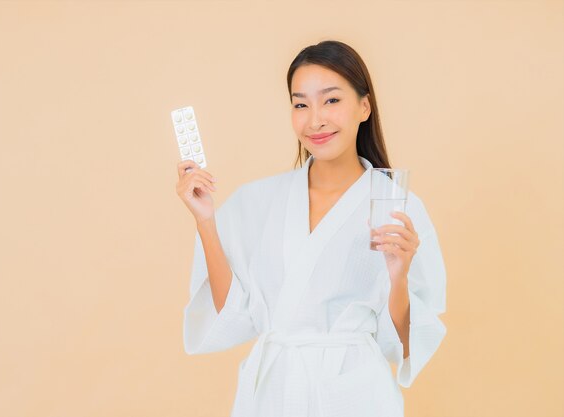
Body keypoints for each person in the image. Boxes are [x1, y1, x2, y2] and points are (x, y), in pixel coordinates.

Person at [175, 40, 447, 417]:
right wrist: (205, 220)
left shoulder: (396, 205)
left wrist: (398, 276)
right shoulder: (256, 200)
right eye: (301, 104)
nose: (314, 119)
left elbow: (402, 344)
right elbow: (234, 314)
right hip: (272, 393)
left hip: (353, 395)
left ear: (364, 106)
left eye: (331, 100)